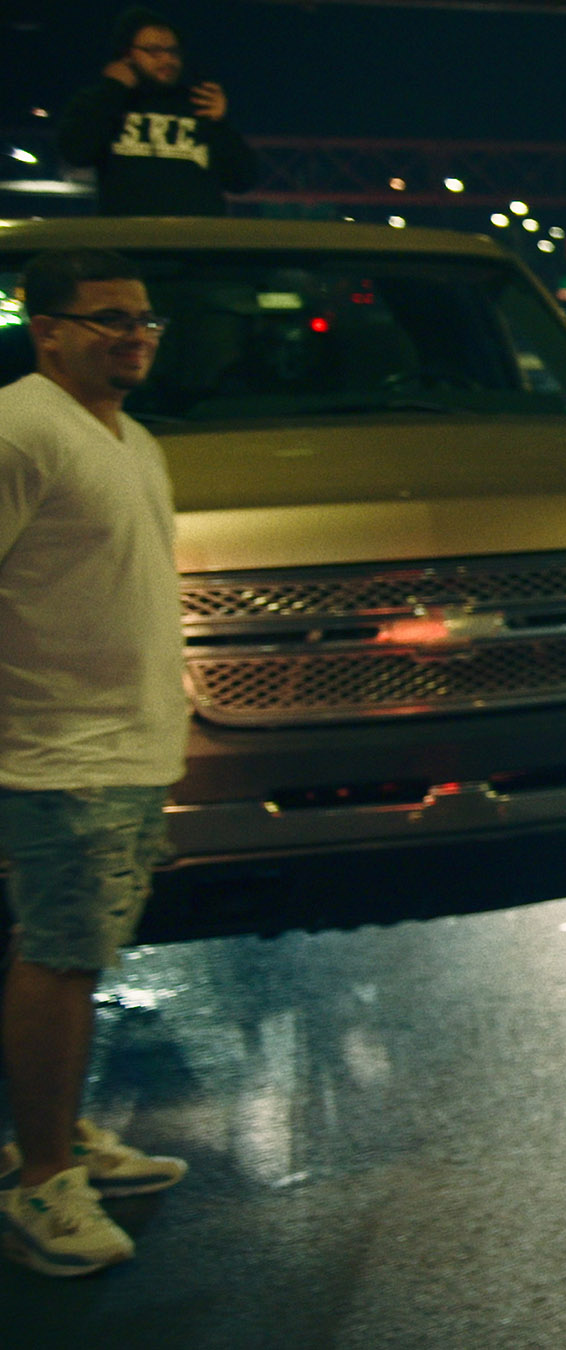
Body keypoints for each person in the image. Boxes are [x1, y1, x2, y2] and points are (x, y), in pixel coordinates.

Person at [0, 250, 191, 1278]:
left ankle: (63, 1139)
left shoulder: (132, 438)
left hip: (126, 742)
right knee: (60, 957)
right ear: (48, 330)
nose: (134, 334)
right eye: (109, 317)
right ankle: (40, 1181)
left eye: (146, 319)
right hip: (57, 750)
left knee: (83, 954)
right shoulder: (21, 429)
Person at [54, 7, 257, 217]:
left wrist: (220, 124)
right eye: (154, 50)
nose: (167, 59)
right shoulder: (102, 101)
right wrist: (113, 90)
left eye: (173, 51)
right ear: (127, 54)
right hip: (126, 243)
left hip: (193, 244)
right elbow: (76, 152)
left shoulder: (200, 103)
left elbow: (243, 181)